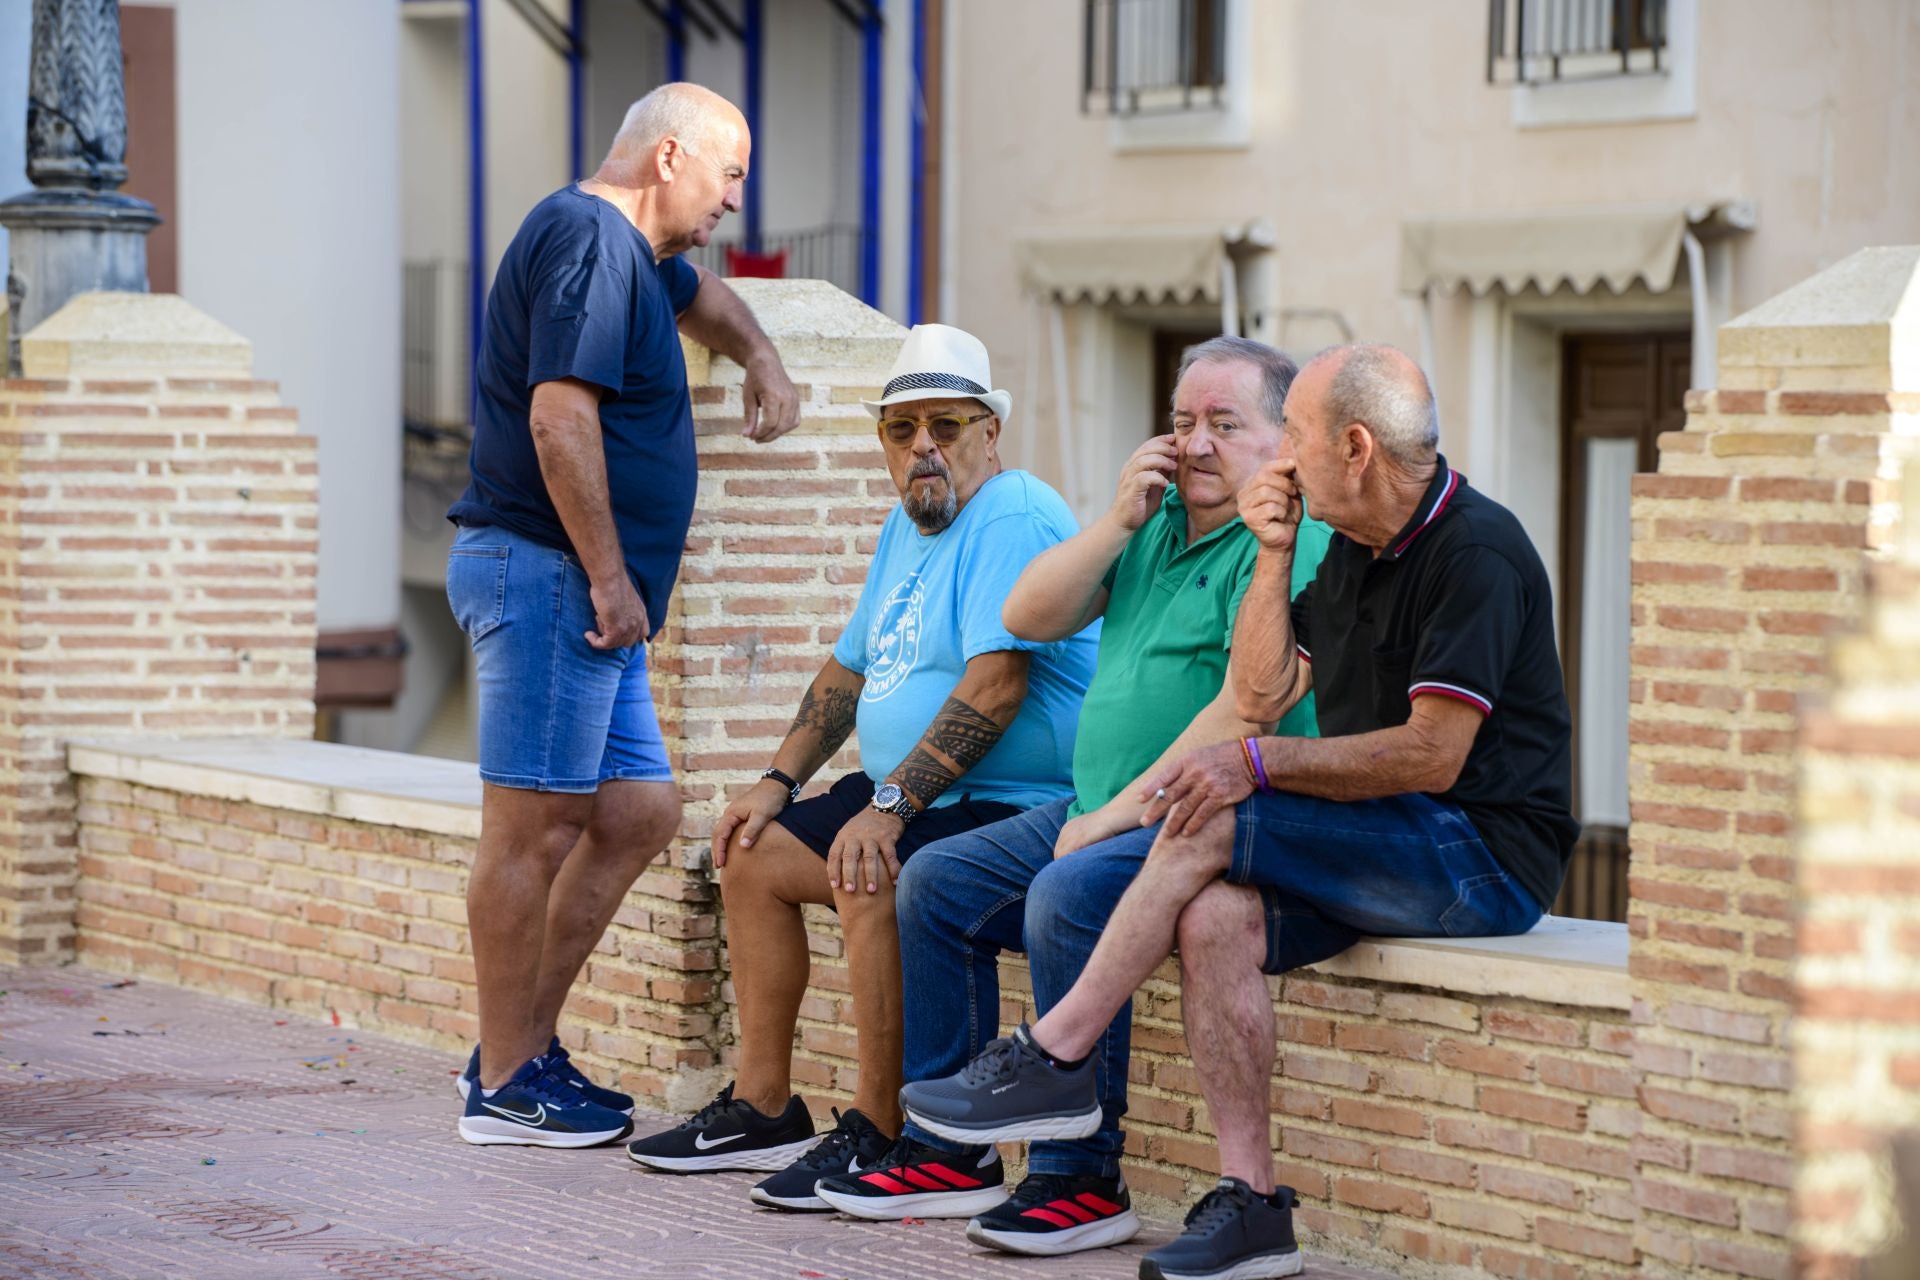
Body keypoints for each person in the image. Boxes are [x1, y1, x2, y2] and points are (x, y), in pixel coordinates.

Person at [901, 343, 1580, 1280]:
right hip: (1388, 835)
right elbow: (1264, 680)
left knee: (1215, 812)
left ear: (1353, 447)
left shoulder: (1477, 550)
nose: (1280, 460)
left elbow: (1433, 754)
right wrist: (1270, 553)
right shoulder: (1345, 547)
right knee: (1216, 913)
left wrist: (1253, 765)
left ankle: (1056, 1053)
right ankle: (1255, 1207)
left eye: (1289, 435)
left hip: (1478, 854)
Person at [813, 338, 1334, 1260]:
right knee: (934, 881)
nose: (1198, 444)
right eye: (1182, 423)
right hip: (1100, 803)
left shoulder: (1290, 542)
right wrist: (1120, 519)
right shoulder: (1161, 526)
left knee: (1067, 893)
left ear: (1282, 442)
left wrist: (1107, 816)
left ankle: (1081, 1177)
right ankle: (948, 1153)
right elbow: (1028, 616)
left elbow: (1247, 707)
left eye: (1225, 424)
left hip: (1203, 812)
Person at [624, 324, 1099, 1210]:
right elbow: (848, 670)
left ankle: (886, 1132)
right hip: (926, 793)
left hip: (1010, 798)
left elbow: (996, 688)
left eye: (946, 426)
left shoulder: (1015, 511)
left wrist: (886, 805)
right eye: (901, 428)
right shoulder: (903, 528)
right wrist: (776, 781)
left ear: (988, 434)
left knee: (866, 864)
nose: (923, 446)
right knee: (751, 851)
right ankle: (764, 1105)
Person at [445, 83, 801, 1148]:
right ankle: (506, 1078)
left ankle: (519, 1049)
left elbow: (711, 303)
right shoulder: (593, 241)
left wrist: (764, 356)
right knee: (535, 825)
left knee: (638, 807)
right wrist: (609, 576)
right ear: (669, 158)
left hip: (581, 590)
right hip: (555, 574)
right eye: (729, 173)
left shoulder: (636, 258)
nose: (738, 198)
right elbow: (560, 416)